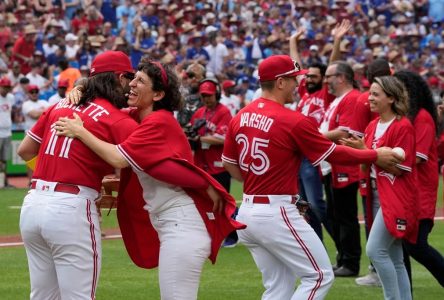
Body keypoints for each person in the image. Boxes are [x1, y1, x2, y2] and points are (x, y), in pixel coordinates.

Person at [54, 58, 245, 300]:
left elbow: (118, 159)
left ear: (158, 94)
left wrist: (79, 131)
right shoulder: (139, 117)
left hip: (183, 225)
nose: (131, 84)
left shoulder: (158, 121)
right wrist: (82, 87)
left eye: (140, 81)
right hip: (173, 222)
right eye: (133, 77)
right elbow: (158, 170)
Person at [221, 55, 403, 300]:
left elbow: (230, 165)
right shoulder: (292, 120)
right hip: (276, 211)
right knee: (319, 276)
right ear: (280, 82)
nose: (298, 84)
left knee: (278, 287)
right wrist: (374, 155)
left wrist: (260, 179)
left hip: (247, 212)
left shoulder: (240, 115)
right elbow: (335, 153)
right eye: (294, 78)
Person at [16, 50, 139, 300]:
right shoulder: (117, 119)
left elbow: (25, 149)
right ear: (116, 77)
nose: (130, 84)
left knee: (43, 296)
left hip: (33, 204)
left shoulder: (60, 105)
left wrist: (58, 172)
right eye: (128, 76)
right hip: (71, 208)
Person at [341, 76, 418, 300]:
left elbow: (399, 169)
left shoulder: (403, 126)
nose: (370, 98)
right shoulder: (372, 125)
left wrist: (364, 149)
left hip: (396, 196)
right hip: (376, 193)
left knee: (375, 250)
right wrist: (358, 151)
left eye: (375, 94)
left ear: (391, 99)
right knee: (395, 257)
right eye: (370, 93)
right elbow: (366, 163)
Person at [394, 70, 444, 287]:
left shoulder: (422, 118)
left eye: (399, 89)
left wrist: (387, 157)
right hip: (408, 188)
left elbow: (419, 157)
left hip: (420, 189)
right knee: (403, 245)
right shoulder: (410, 117)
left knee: (416, 245)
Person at [320, 60, 362, 277]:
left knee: (345, 215)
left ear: (342, 78)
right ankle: (343, 258)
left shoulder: (352, 99)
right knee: (335, 214)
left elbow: (345, 133)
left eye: (329, 76)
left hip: (344, 166)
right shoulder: (337, 100)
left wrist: (313, 138)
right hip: (331, 166)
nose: (325, 81)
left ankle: (351, 262)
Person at [0, 77, 14, 188]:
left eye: (8, 87)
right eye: (4, 87)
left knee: (5, 159)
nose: (6, 89)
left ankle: (4, 182)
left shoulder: (11, 97)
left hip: (7, 132)